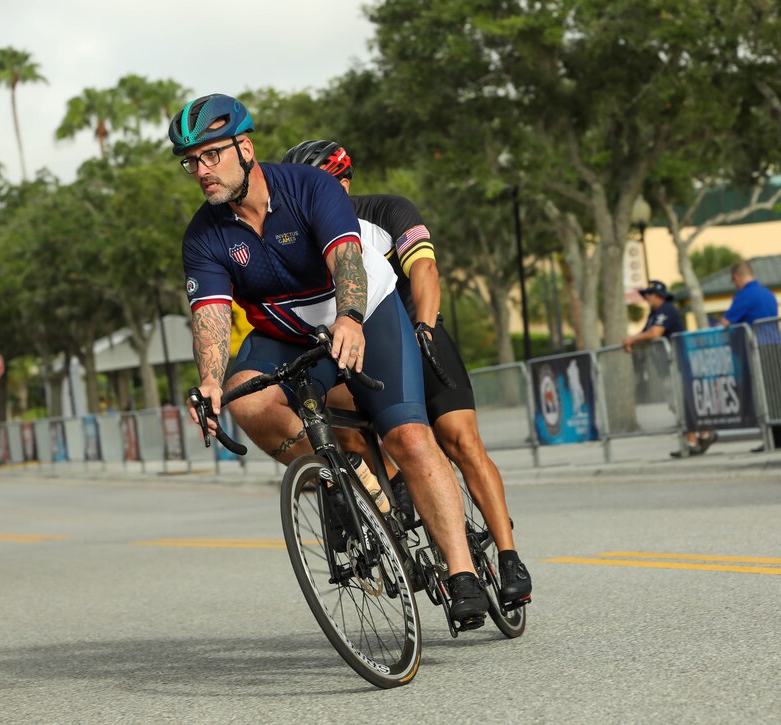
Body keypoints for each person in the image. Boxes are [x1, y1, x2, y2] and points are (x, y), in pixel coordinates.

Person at [171, 95, 488, 625]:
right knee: (244, 397)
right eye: (191, 162)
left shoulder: (309, 188)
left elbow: (347, 259)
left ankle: (463, 574)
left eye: (211, 156)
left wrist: (350, 317)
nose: (201, 171)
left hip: (368, 312)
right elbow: (209, 315)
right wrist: (207, 380)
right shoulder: (204, 235)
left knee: (409, 437)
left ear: (245, 148)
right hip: (287, 334)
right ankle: (340, 480)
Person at [280, 139, 531, 606]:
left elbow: (426, 271)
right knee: (344, 425)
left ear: (344, 182)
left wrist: (424, 329)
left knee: (459, 437)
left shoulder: (388, 210)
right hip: (349, 345)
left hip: (415, 332)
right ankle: (378, 512)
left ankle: (508, 552)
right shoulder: (294, 235)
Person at [621, 280, 716, 458]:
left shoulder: (667, 310)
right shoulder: (654, 314)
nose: (647, 298)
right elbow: (646, 333)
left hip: (677, 364)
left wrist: (631, 340)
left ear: (658, 295)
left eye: (649, 294)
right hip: (665, 366)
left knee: (679, 402)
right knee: (678, 403)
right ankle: (702, 434)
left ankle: (694, 439)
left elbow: (655, 333)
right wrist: (634, 341)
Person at [721, 261, 781, 452]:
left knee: (763, 394)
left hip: (758, 349)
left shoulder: (744, 296)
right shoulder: (768, 293)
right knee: (775, 394)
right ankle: (778, 438)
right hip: (775, 345)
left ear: (736, 278)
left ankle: (770, 440)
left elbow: (726, 322)